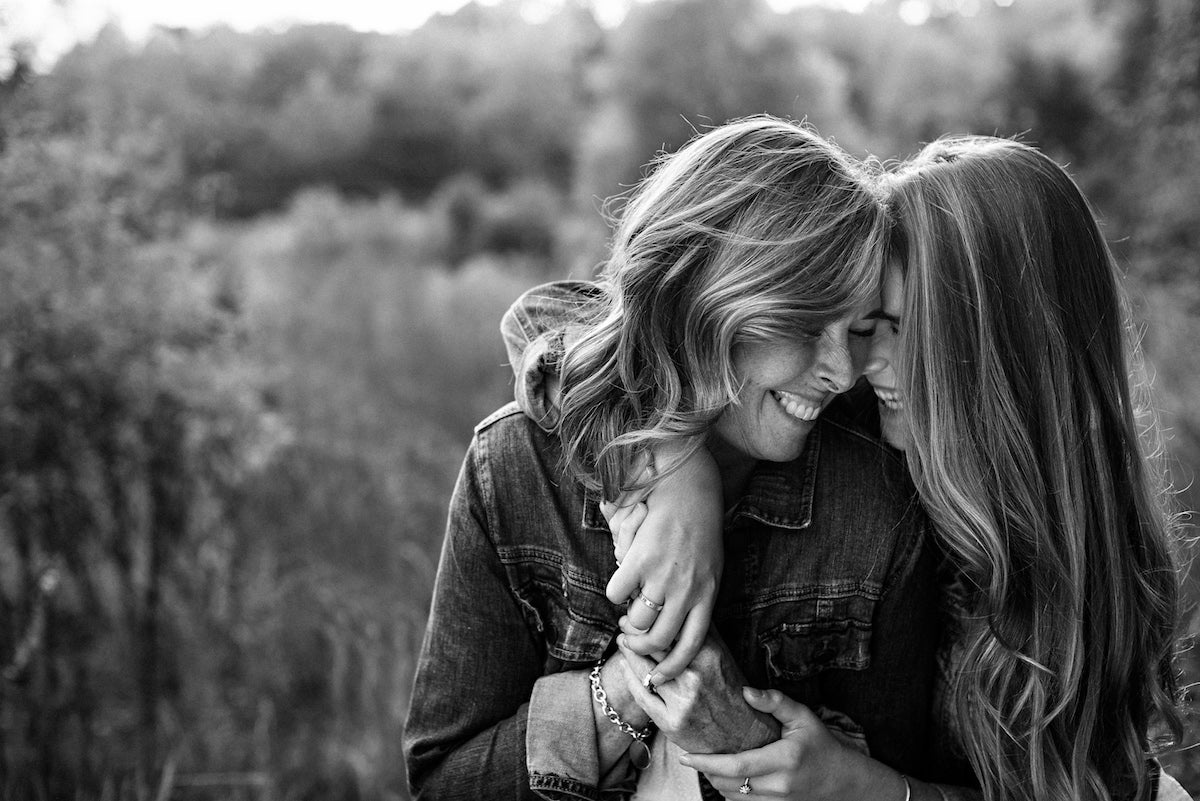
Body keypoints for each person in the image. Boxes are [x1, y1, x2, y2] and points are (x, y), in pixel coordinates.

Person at [524, 137, 1186, 801]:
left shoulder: (1084, 550)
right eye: (867, 323)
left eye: (900, 327)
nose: (863, 364)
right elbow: (556, 319)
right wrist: (677, 462)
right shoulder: (859, 429)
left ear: (992, 354)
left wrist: (862, 787)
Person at [403, 116, 953, 800]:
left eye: (862, 326)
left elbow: (901, 778)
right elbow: (443, 782)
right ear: (705, 299)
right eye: (806, 326)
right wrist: (628, 691)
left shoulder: (877, 498)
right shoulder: (514, 467)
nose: (843, 371)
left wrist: (739, 737)